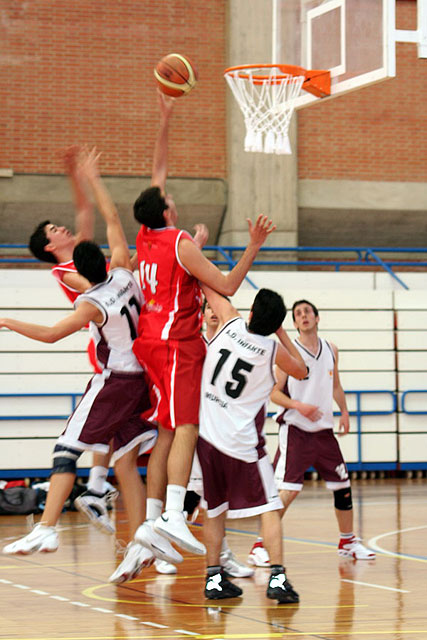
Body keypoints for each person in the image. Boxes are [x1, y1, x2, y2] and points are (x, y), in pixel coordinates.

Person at [131, 92, 276, 563]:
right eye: (170, 199)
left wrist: (165, 118)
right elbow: (230, 285)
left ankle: (153, 521)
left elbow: (157, 173)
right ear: (167, 213)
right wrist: (253, 245)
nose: (171, 195)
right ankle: (173, 515)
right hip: (175, 344)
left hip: (150, 341)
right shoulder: (177, 242)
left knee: (168, 434)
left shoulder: (147, 234)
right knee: (187, 425)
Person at [2, 149, 157, 585]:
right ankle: (135, 534)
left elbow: (57, 330)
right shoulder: (108, 271)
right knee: (126, 459)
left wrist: (7, 319)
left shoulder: (91, 293)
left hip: (114, 363)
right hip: (134, 362)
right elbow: (105, 219)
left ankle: (52, 525)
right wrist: (91, 176)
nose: (68, 228)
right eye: (56, 230)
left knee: (66, 448)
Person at [197, 286, 307, 603]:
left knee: (214, 511)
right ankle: (278, 577)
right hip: (242, 444)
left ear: (251, 312)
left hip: (207, 439)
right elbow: (302, 369)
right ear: (275, 323)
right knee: (270, 507)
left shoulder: (229, 322)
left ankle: (214, 580)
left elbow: (208, 284)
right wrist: (281, 334)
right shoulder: (273, 351)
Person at [28, 146, 117, 534]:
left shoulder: (80, 251)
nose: (61, 228)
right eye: (53, 231)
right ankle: (95, 487)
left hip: (120, 335)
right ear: (50, 246)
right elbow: (94, 287)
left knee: (120, 424)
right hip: (106, 345)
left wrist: (75, 175)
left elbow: (85, 214)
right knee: (111, 421)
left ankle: (98, 489)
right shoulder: (66, 272)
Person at [266, 299, 375, 561]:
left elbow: (335, 385)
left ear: (317, 318)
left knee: (343, 486)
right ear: (294, 323)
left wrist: (345, 411)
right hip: (296, 429)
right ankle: (260, 546)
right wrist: (298, 405)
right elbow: (273, 394)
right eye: (298, 314)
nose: (303, 316)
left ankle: (348, 542)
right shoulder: (287, 352)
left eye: (307, 312)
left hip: (324, 432)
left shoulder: (331, 349)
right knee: (288, 491)